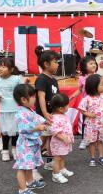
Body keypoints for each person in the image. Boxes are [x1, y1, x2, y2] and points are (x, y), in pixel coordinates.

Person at [13, 84, 47, 194]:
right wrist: (37, 127)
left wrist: (45, 122)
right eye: (32, 96)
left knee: (30, 165)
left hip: (31, 143)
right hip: (25, 145)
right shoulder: (20, 113)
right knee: (22, 167)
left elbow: (38, 119)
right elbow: (22, 128)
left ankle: (30, 181)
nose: (34, 98)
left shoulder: (28, 110)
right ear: (23, 99)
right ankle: (23, 189)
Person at [0, 57, 25, 161]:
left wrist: (24, 82)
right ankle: (5, 150)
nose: (1, 68)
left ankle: (15, 150)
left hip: (15, 109)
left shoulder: (16, 79)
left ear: (11, 69)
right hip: (3, 110)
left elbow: (22, 91)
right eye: (0, 66)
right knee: (5, 132)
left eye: (4, 66)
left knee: (16, 131)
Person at [34, 48, 60, 176]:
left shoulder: (54, 80)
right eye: (55, 62)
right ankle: (32, 167)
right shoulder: (41, 79)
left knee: (51, 139)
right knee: (41, 140)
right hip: (43, 117)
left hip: (52, 116)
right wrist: (45, 114)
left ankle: (50, 162)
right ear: (46, 64)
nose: (58, 64)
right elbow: (41, 97)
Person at [78, 74, 103, 167]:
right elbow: (82, 109)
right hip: (91, 125)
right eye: (102, 84)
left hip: (102, 124)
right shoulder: (87, 99)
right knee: (92, 142)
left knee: (101, 141)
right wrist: (89, 114)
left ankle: (101, 157)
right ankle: (92, 158)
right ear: (93, 86)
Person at [69, 56, 98, 150]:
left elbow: (101, 89)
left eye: (94, 63)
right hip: (86, 104)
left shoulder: (98, 77)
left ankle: (96, 140)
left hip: (97, 104)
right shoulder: (82, 78)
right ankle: (84, 139)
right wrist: (72, 96)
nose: (94, 65)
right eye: (91, 63)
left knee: (97, 122)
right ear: (84, 66)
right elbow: (80, 90)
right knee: (86, 122)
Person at [50, 93, 74, 184]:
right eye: (67, 105)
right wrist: (63, 138)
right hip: (58, 143)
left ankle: (62, 169)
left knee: (62, 156)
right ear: (60, 108)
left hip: (64, 142)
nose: (69, 106)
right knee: (57, 158)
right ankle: (56, 174)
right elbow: (54, 130)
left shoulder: (62, 115)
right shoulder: (54, 118)